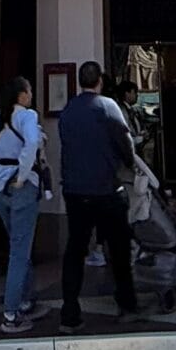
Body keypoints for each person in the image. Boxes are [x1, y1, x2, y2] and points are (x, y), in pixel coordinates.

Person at [55, 60, 139, 332]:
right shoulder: (108, 106)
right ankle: (126, 303)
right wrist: (129, 163)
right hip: (105, 189)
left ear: (80, 81)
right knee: (119, 248)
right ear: (100, 81)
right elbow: (125, 142)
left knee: (75, 250)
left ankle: (69, 312)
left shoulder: (68, 111)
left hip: (75, 191)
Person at [0, 73, 45, 333]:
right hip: (20, 187)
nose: (31, 95)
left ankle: (27, 299)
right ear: (22, 94)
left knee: (18, 244)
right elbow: (30, 144)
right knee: (19, 250)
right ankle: (11, 313)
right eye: (29, 90)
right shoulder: (27, 117)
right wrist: (24, 175)